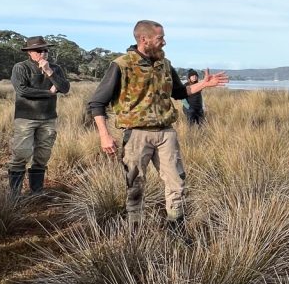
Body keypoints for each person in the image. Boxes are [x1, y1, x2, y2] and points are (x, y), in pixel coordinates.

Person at [88, 20, 227, 229]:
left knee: (177, 183)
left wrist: (204, 84)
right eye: (160, 38)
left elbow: (179, 93)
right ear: (144, 39)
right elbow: (97, 103)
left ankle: (176, 229)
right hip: (135, 135)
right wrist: (104, 136)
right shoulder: (122, 65)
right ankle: (135, 232)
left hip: (166, 134)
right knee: (135, 185)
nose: (164, 42)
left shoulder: (165, 64)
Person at [9, 36, 70, 195]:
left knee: (42, 156)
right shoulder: (20, 67)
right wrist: (48, 93)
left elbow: (64, 88)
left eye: (46, 50)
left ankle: (36, 192)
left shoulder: (55, 68)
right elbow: (22, 90)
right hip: (26, 118)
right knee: (21, 154)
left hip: (48, 118)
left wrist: (49, 72)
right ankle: (14, 195)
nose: (43, 53)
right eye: (39, 50)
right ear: (29, 52)